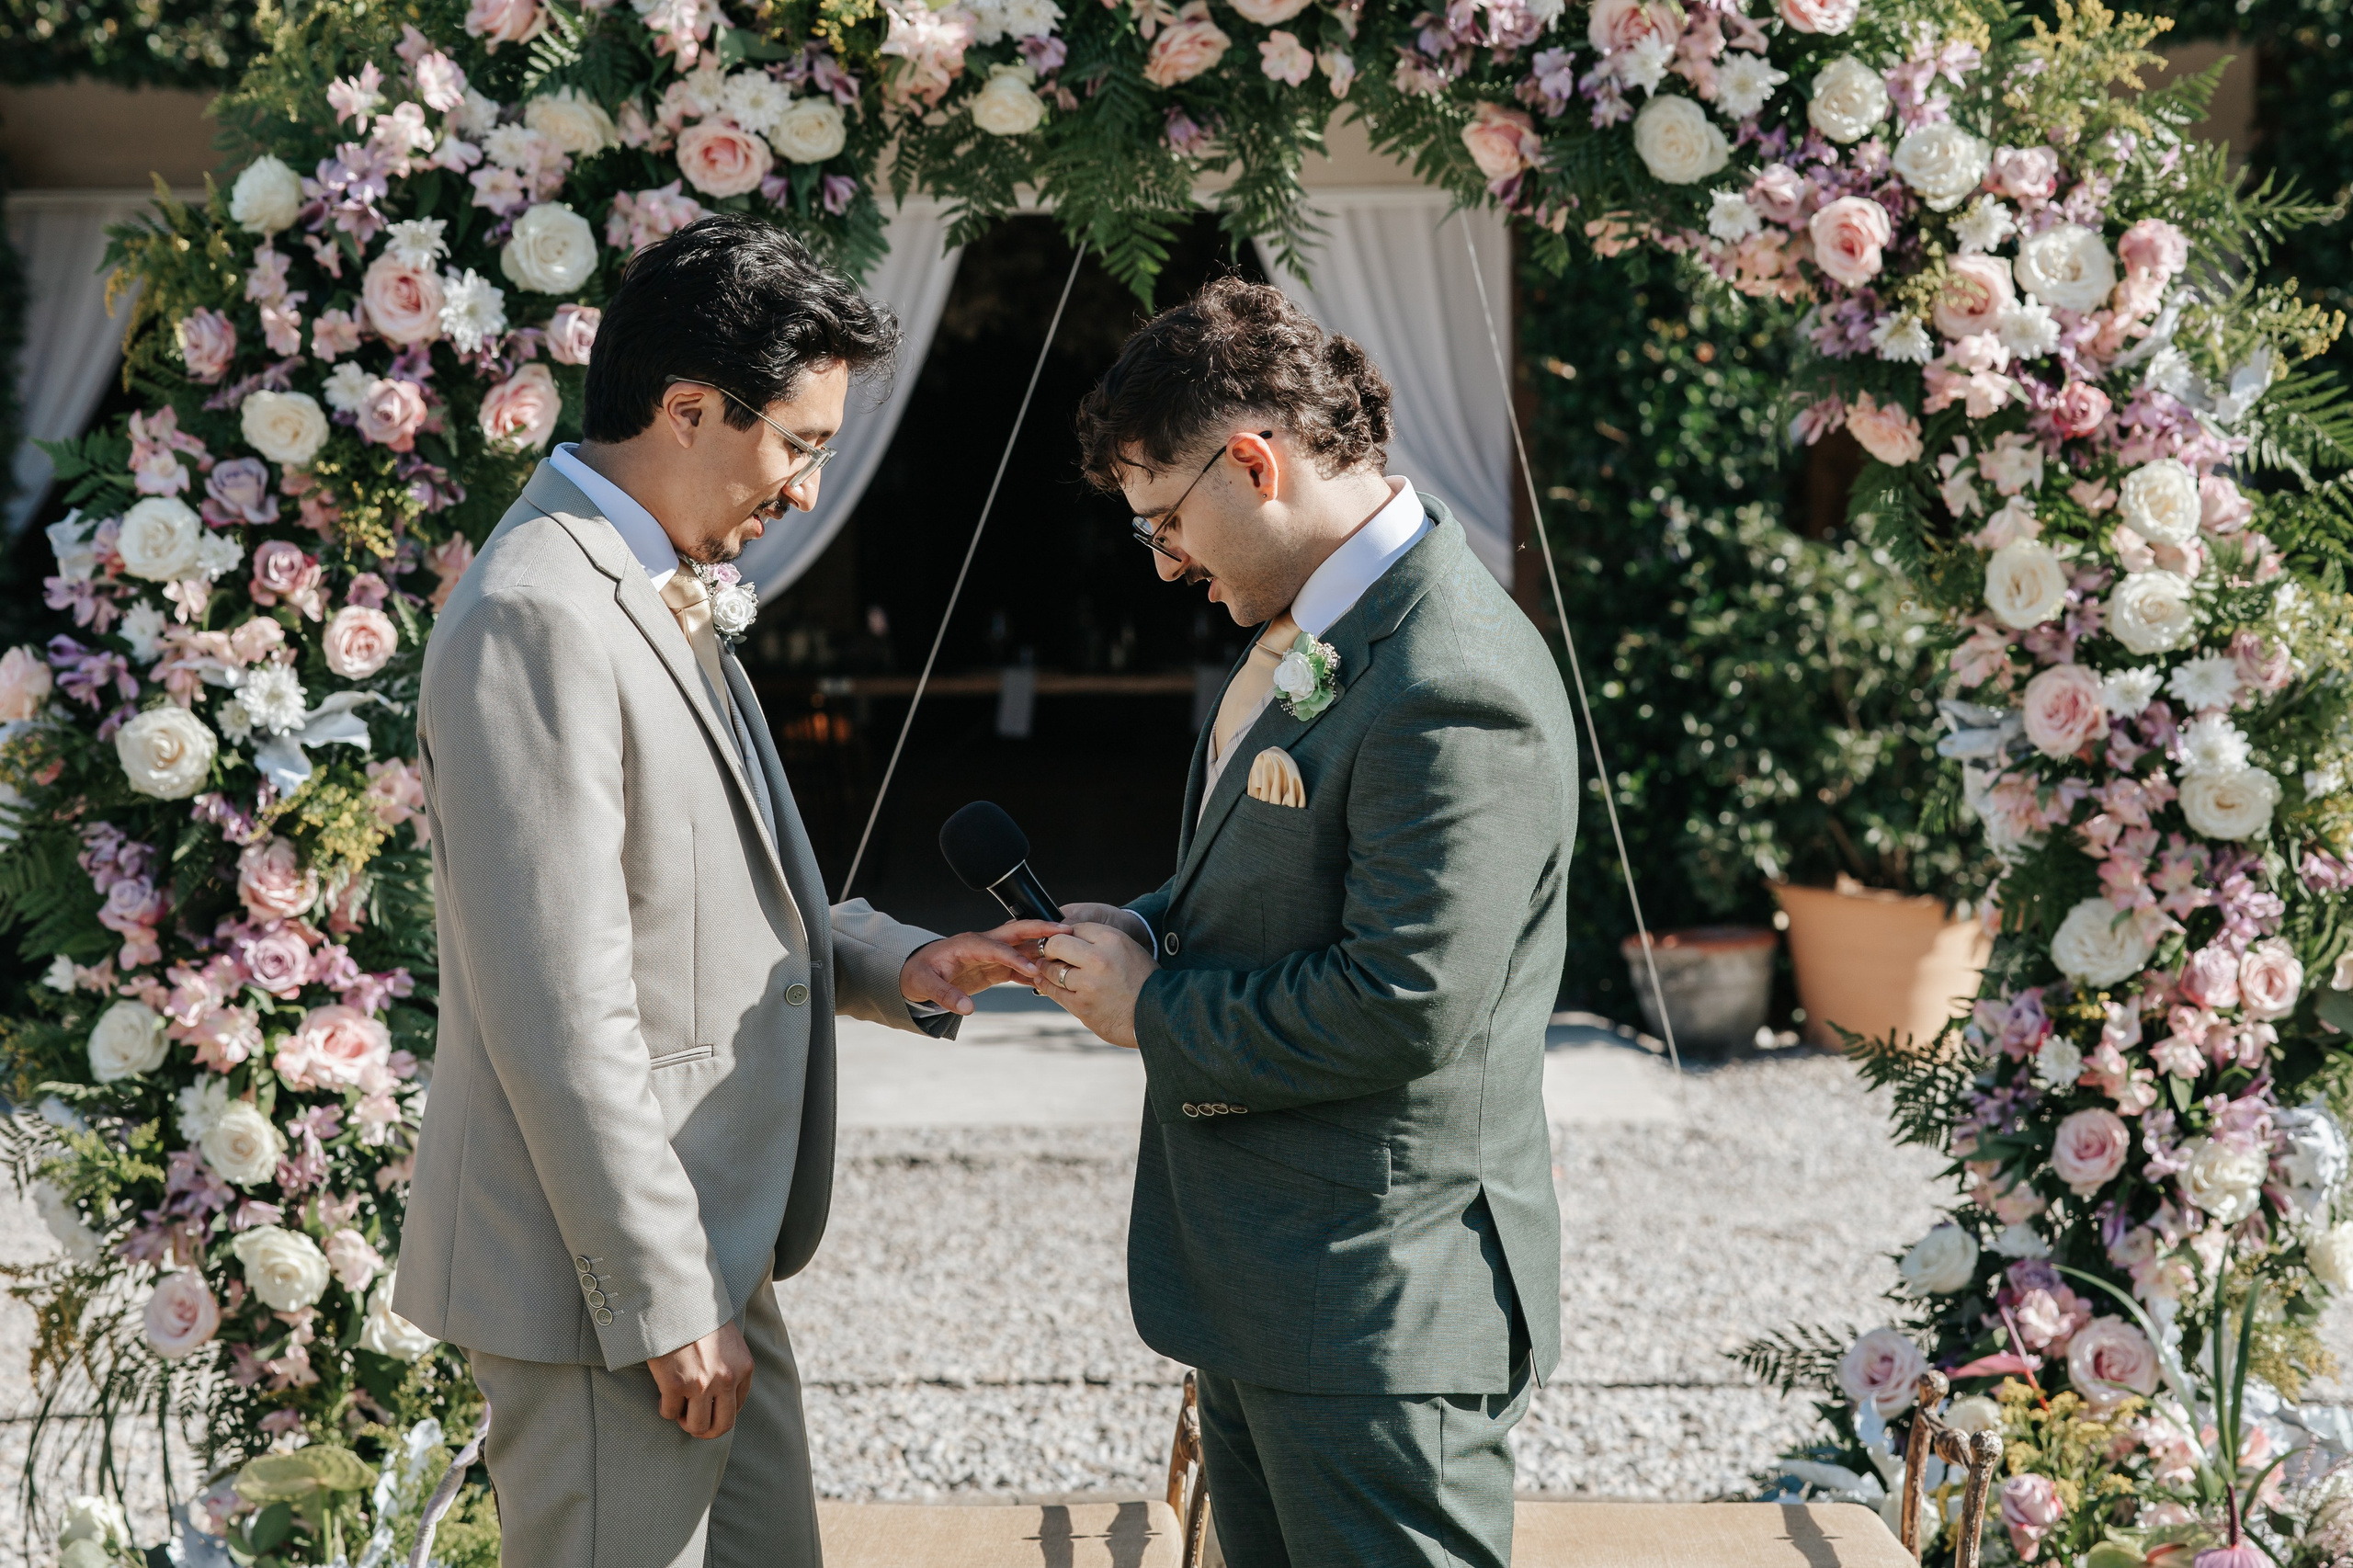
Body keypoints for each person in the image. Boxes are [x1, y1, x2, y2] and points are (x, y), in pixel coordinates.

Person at [396, 215, 1059, 1568]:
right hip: (609, 1287)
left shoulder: (650, 580)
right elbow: (559, 1005)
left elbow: (713, 891)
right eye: (799, 445)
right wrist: (658, 1295)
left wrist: (902, 964)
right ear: (688, 409)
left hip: (711, 1243)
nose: (809, 492)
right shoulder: (540, 612)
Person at [1042, 278, 1576, 1568]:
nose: (1167, 561)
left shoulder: (1447, 676)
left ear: (1253, 462)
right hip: (1280, 1292)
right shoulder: (1324, 629)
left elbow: (1405, 1000)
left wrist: (1149, 1008)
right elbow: (1280, 878)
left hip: (1379, 1311)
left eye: (1167, 520)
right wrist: (1152, 926)